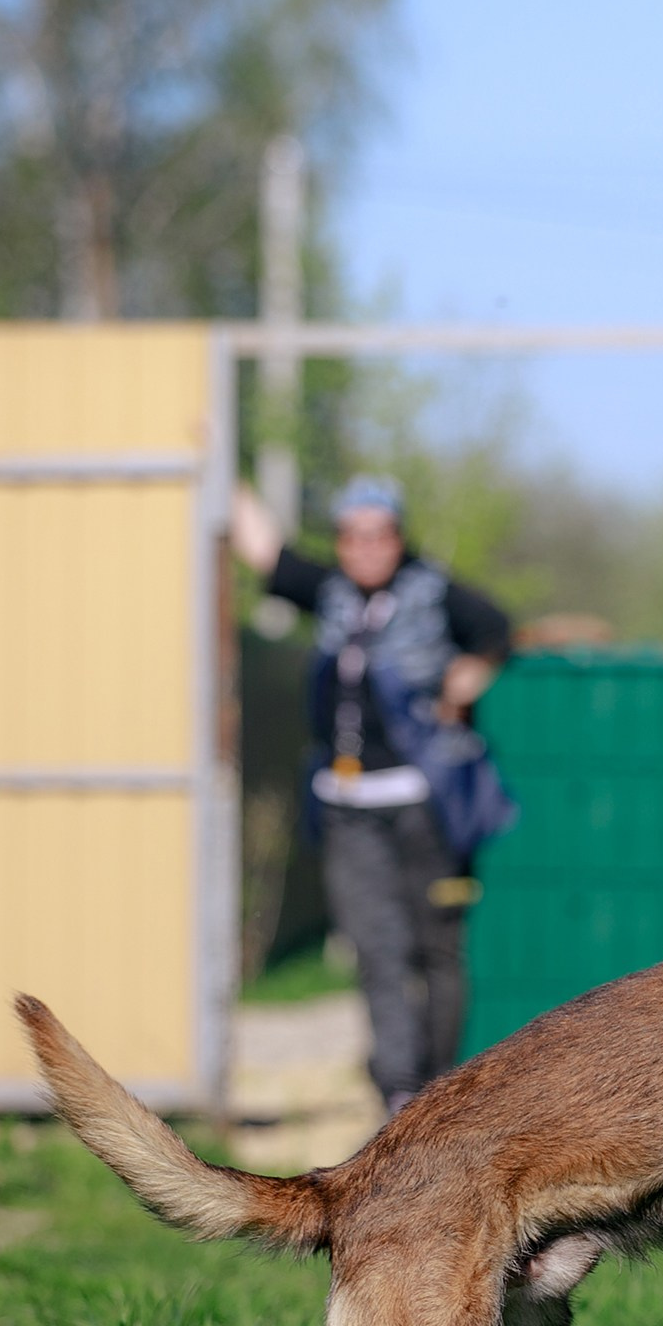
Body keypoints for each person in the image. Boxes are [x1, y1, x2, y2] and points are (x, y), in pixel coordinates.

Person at [230, 476, 512, 1116]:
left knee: (435, 948)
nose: (365, 548)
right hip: (346, 805)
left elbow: (497, 630)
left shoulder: (433, 592)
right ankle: (398, 1091)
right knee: (377, 947)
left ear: (397, 537)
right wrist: (223, 463)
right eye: (351, 536)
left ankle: (442, 1086)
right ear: (340, 542)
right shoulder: (330, 592)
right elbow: (263, 551)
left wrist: (469, 675)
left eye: (378, 534)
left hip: (424, 805)